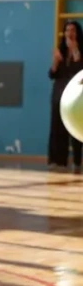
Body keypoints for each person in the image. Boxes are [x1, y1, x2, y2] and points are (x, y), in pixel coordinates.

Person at [48, 20, 83, 172]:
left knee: (76, 127)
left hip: (76, 96)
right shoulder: (60, 51)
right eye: (67, 30)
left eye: (73, 30)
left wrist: (75, 51)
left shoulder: (80, 51)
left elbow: (80, 70)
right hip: (59, 94)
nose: (70, 33)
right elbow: (52, 74)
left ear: (78, 33)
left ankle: (77, 162)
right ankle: (58, 161)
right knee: (57, 128)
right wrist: (55, 62)